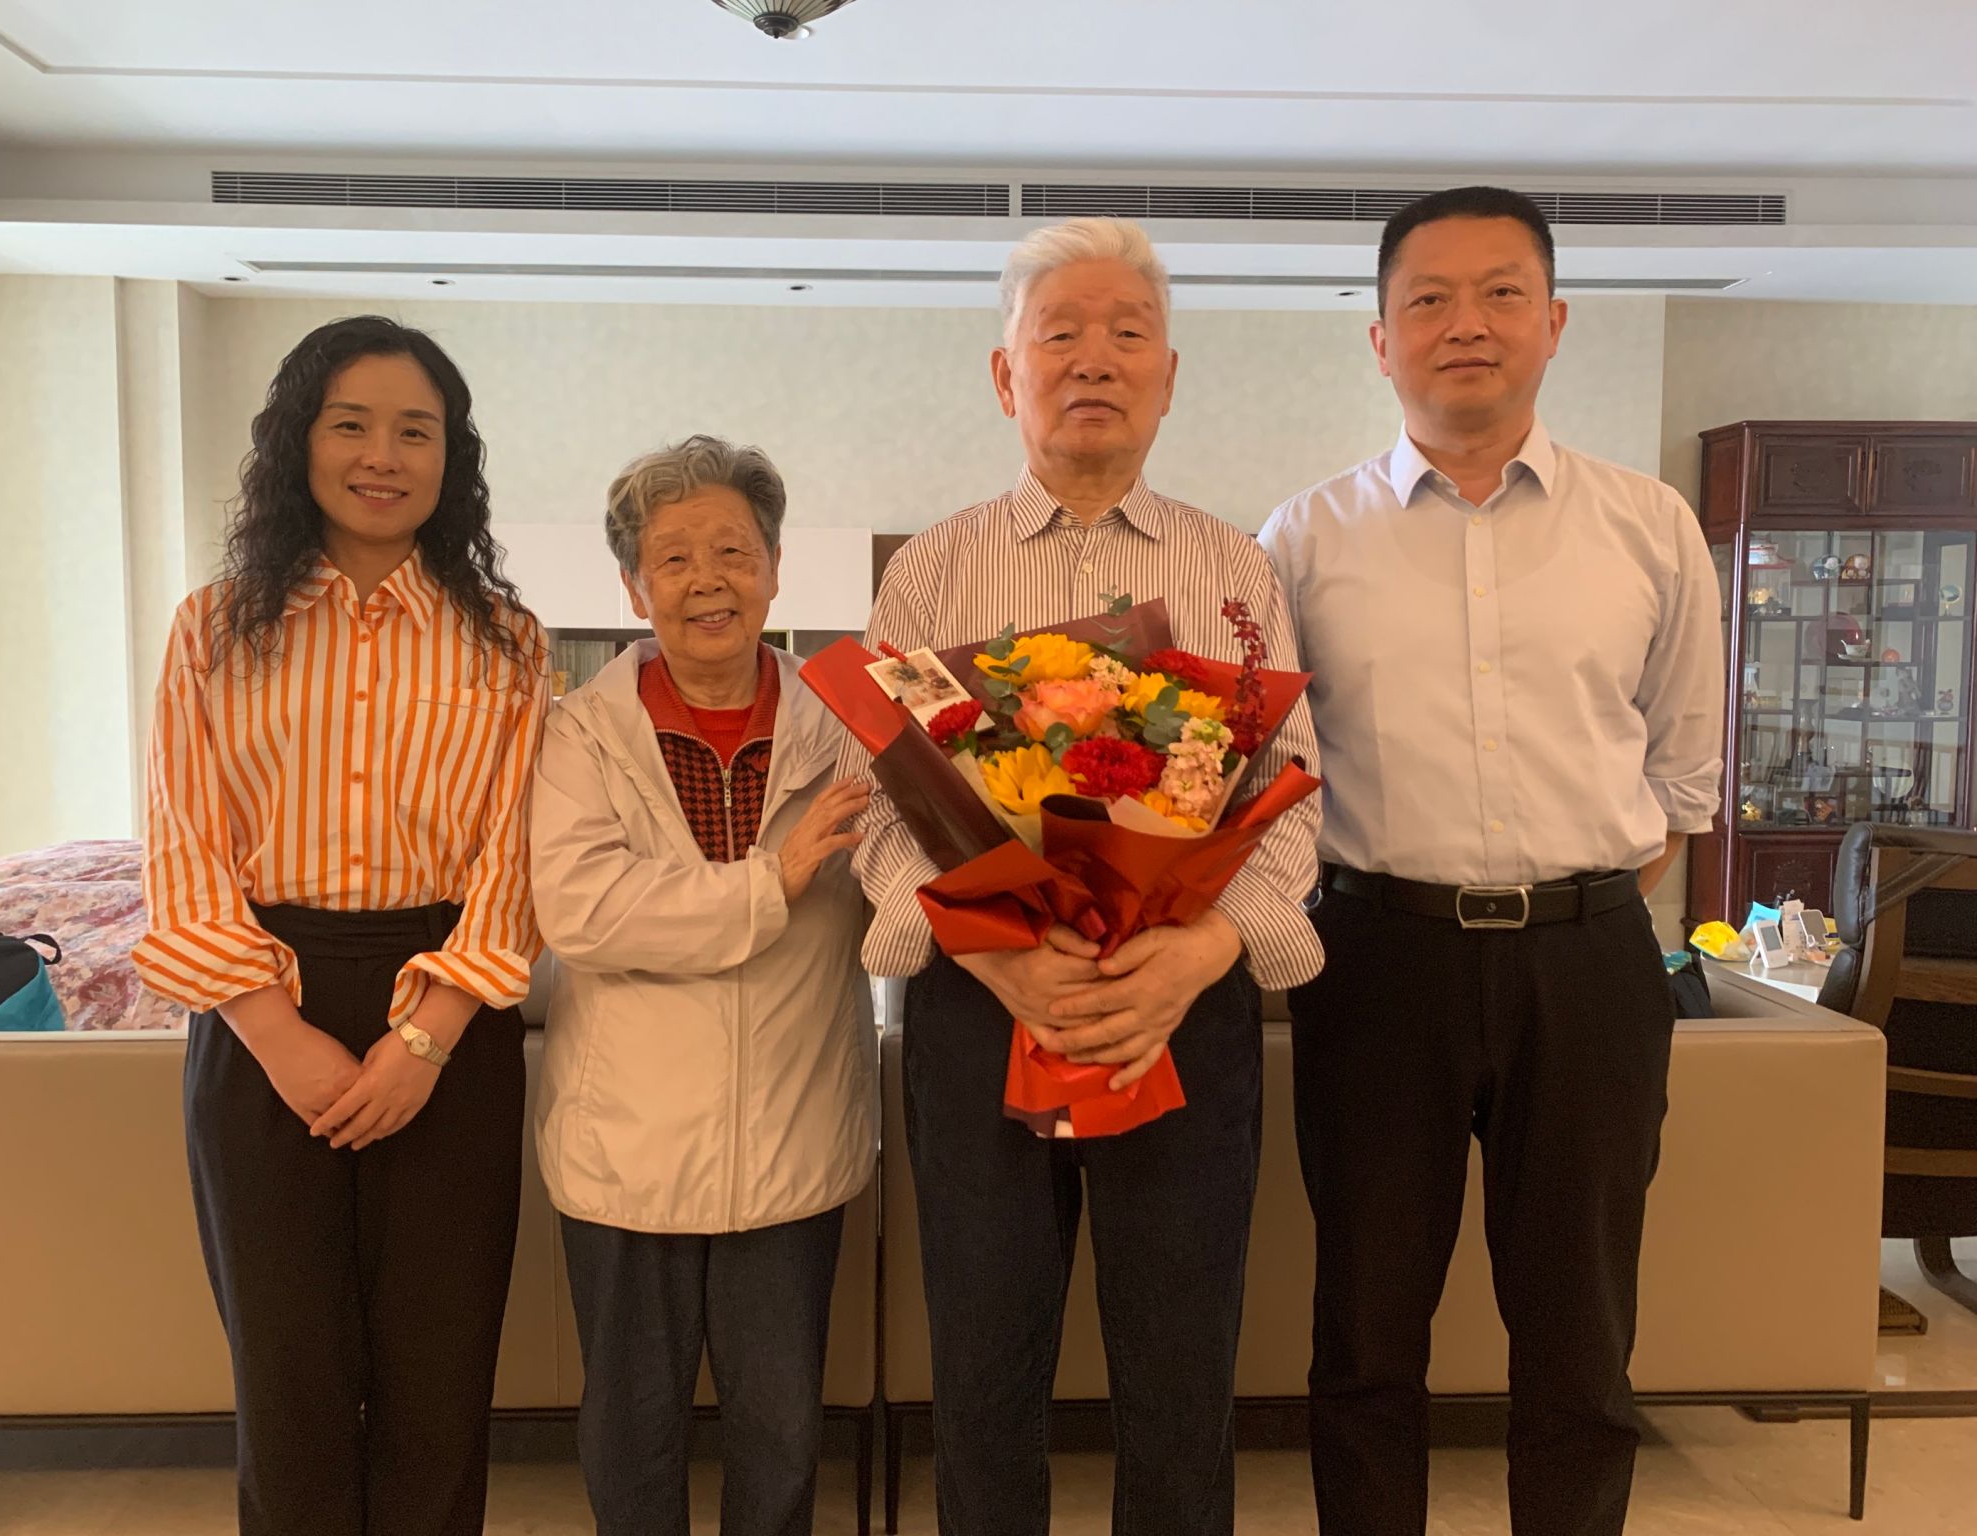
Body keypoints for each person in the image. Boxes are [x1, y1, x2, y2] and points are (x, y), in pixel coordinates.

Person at [1258, 185, 1725, 1536]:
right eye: (1428, 300)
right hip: (1374, 961)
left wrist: (1563, 910)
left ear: (1554, 322)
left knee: (1580, 1335)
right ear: (1381, 338)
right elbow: (1270, 778)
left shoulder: (1648, 526)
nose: (1465, 324)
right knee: (1364, 1333)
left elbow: (1679, 780)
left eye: (1501, 294)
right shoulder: (1300, 542)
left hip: (1588, 966)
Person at [845, 217, 1323, 1536]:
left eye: (1126, 333)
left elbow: (1290, 790)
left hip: (1182, 1003)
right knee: (982, 1364)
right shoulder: (931, 570)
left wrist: (1203, 951)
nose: (1093, 358)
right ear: (1007, 375)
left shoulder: (1233, 569)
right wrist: (997, 951)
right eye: (1058, 333)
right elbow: (880, 805)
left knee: (1180, 1367)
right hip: (982, 1006)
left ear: (1169, 375)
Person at [134, 315, 549, 1535]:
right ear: (297, 442)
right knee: (289, 1390)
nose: (382, 455)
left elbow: (517, 857)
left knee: (439, 1386)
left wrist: (424, 1040)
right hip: (260, 1017)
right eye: (350, 424)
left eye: (415, 431)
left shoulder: (506, 642)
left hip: (452, 1022)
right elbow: (183, 844)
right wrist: (279, 1036)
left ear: (450, 458)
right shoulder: (214, 628)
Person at [530, 435, 875, 1536]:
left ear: (774, 569)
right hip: (625, 1150)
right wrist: (771, 882)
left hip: (794, 1138)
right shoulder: (578, 735)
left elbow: (903, 894)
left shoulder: (847, 732)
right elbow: (583, 912)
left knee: (782, 1437)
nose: (706, 580)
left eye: (733, 550)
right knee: (631, 1437)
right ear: (634, 587)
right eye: (673, 558)